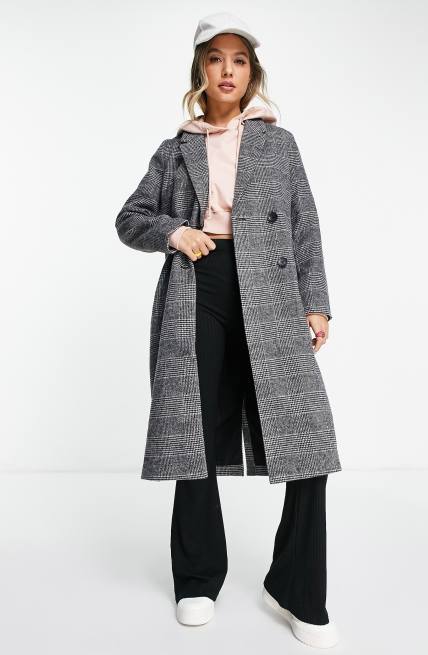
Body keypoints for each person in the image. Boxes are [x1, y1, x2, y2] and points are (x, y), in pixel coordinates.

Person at [115, 11, 341, 649]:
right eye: (216, 58)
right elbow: (130, 217)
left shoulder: (279, 144)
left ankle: (297, 588)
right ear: (201, 70)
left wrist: (316, 302)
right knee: (194, 431)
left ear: (252, 73)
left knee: (308, 440)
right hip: (199, 288)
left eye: (239, 60)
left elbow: (305, 224)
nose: (227, 70)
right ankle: (196, 579)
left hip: (272, 291)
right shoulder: (174, 149)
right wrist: (174, 232)